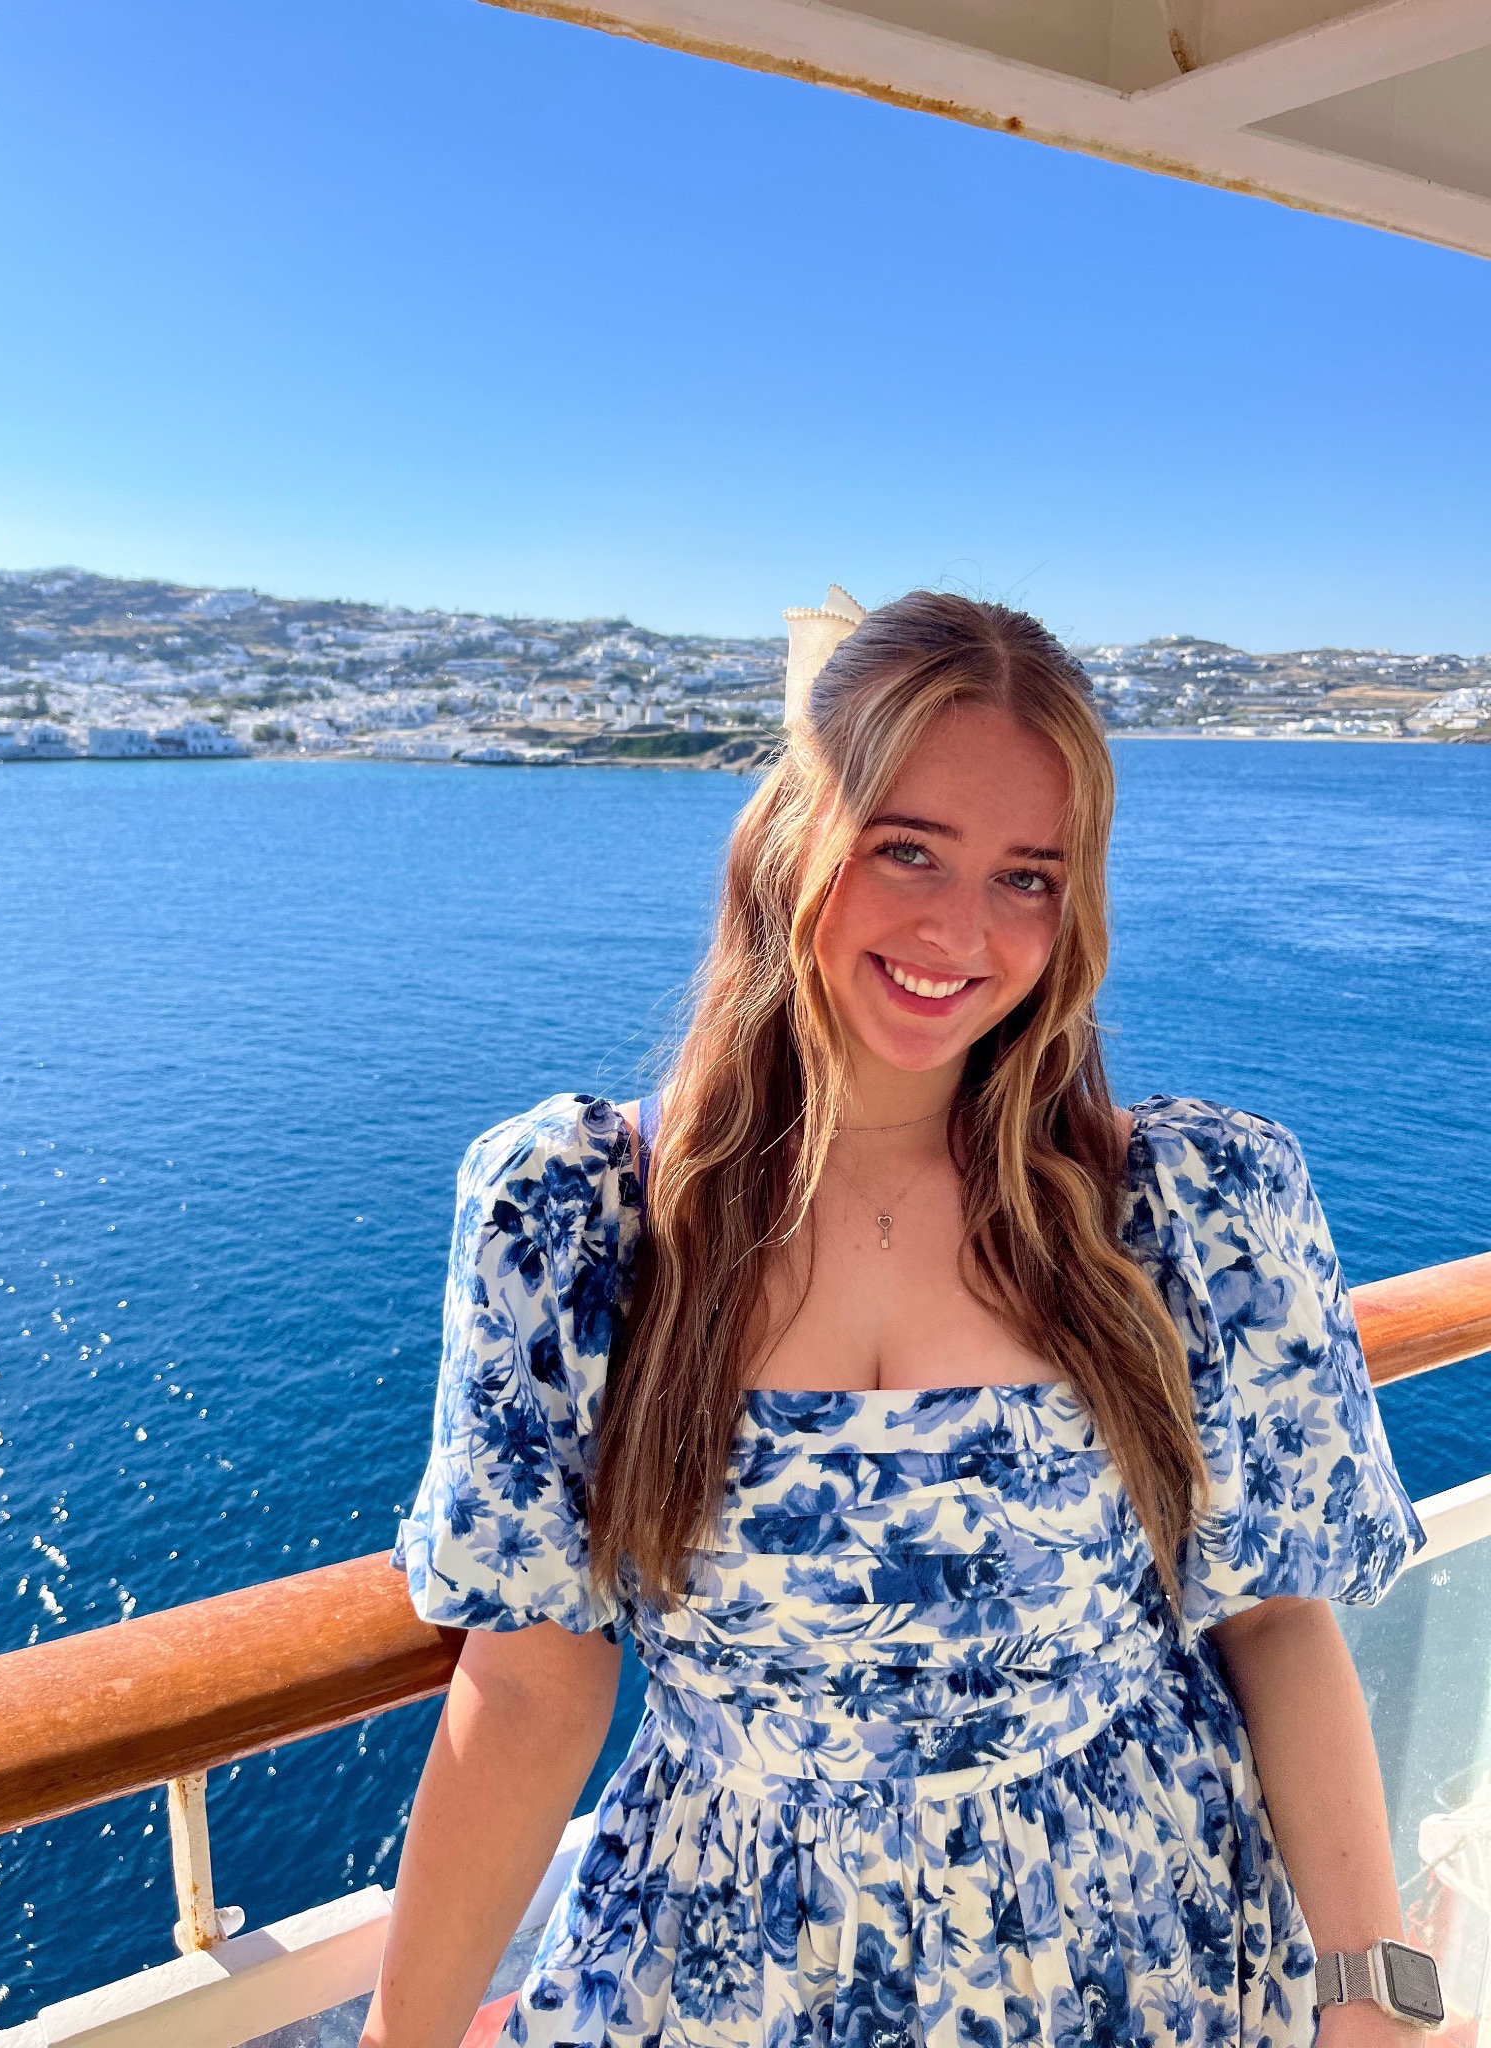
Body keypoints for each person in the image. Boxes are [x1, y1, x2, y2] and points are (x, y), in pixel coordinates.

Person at [363, 592, 1430, 2048]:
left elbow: (1276, 1618)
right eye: (906, 847)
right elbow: (533, 1689)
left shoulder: (1194, 1210)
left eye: (1028, 877)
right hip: (727, 1970)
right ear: (792, 839)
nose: (959, 931)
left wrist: (1376, 2001)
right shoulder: (576, 1222)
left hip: (1132, 1955)